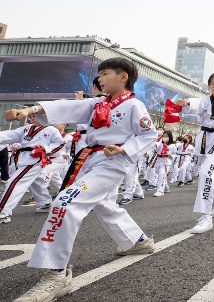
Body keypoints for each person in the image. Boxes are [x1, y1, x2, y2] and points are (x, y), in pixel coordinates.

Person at [7, 57, 158, 301]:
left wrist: (124, 149)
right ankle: (137, 241)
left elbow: (149, 133)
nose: (99, 78)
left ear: (123, 77)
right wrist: (29, 110)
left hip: (111, 162)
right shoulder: (98, 103)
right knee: (103, 203)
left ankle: (56, 274)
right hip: (88, 159)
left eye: (105, 73)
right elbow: (66, 107)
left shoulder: (134, 106)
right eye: (99, 74)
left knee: (65, 202)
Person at [172, 73, 214, 234]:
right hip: (203, 139)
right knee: (210, 175)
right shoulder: (204, 100)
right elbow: (194, 103)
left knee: (205, 173)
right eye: (211, 84)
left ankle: (206, 216)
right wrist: (186, 102)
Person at [0, 113, 64, 222]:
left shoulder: (51, 130)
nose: (32, 118)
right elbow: (10, 135)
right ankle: (45, 203)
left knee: (15, 182)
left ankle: (3, 211)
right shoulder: (26, 129)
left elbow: (60, 143)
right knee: (37, 182)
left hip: (35, 159)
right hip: (23, 158)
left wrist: (46, 148)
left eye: (34, 116)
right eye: (30, 117)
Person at [151, 130, 175, 197]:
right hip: (159, 160)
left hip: (166, 162)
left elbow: (175, 154)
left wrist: (171, 156)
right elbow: (155, 145)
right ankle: (166, 188)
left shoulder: (172, 145)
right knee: (161, 175)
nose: (165, 137)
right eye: (163, 136)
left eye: (166, 136)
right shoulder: (160, 144)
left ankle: (160, 191)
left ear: (170, 137)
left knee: (162, 174)